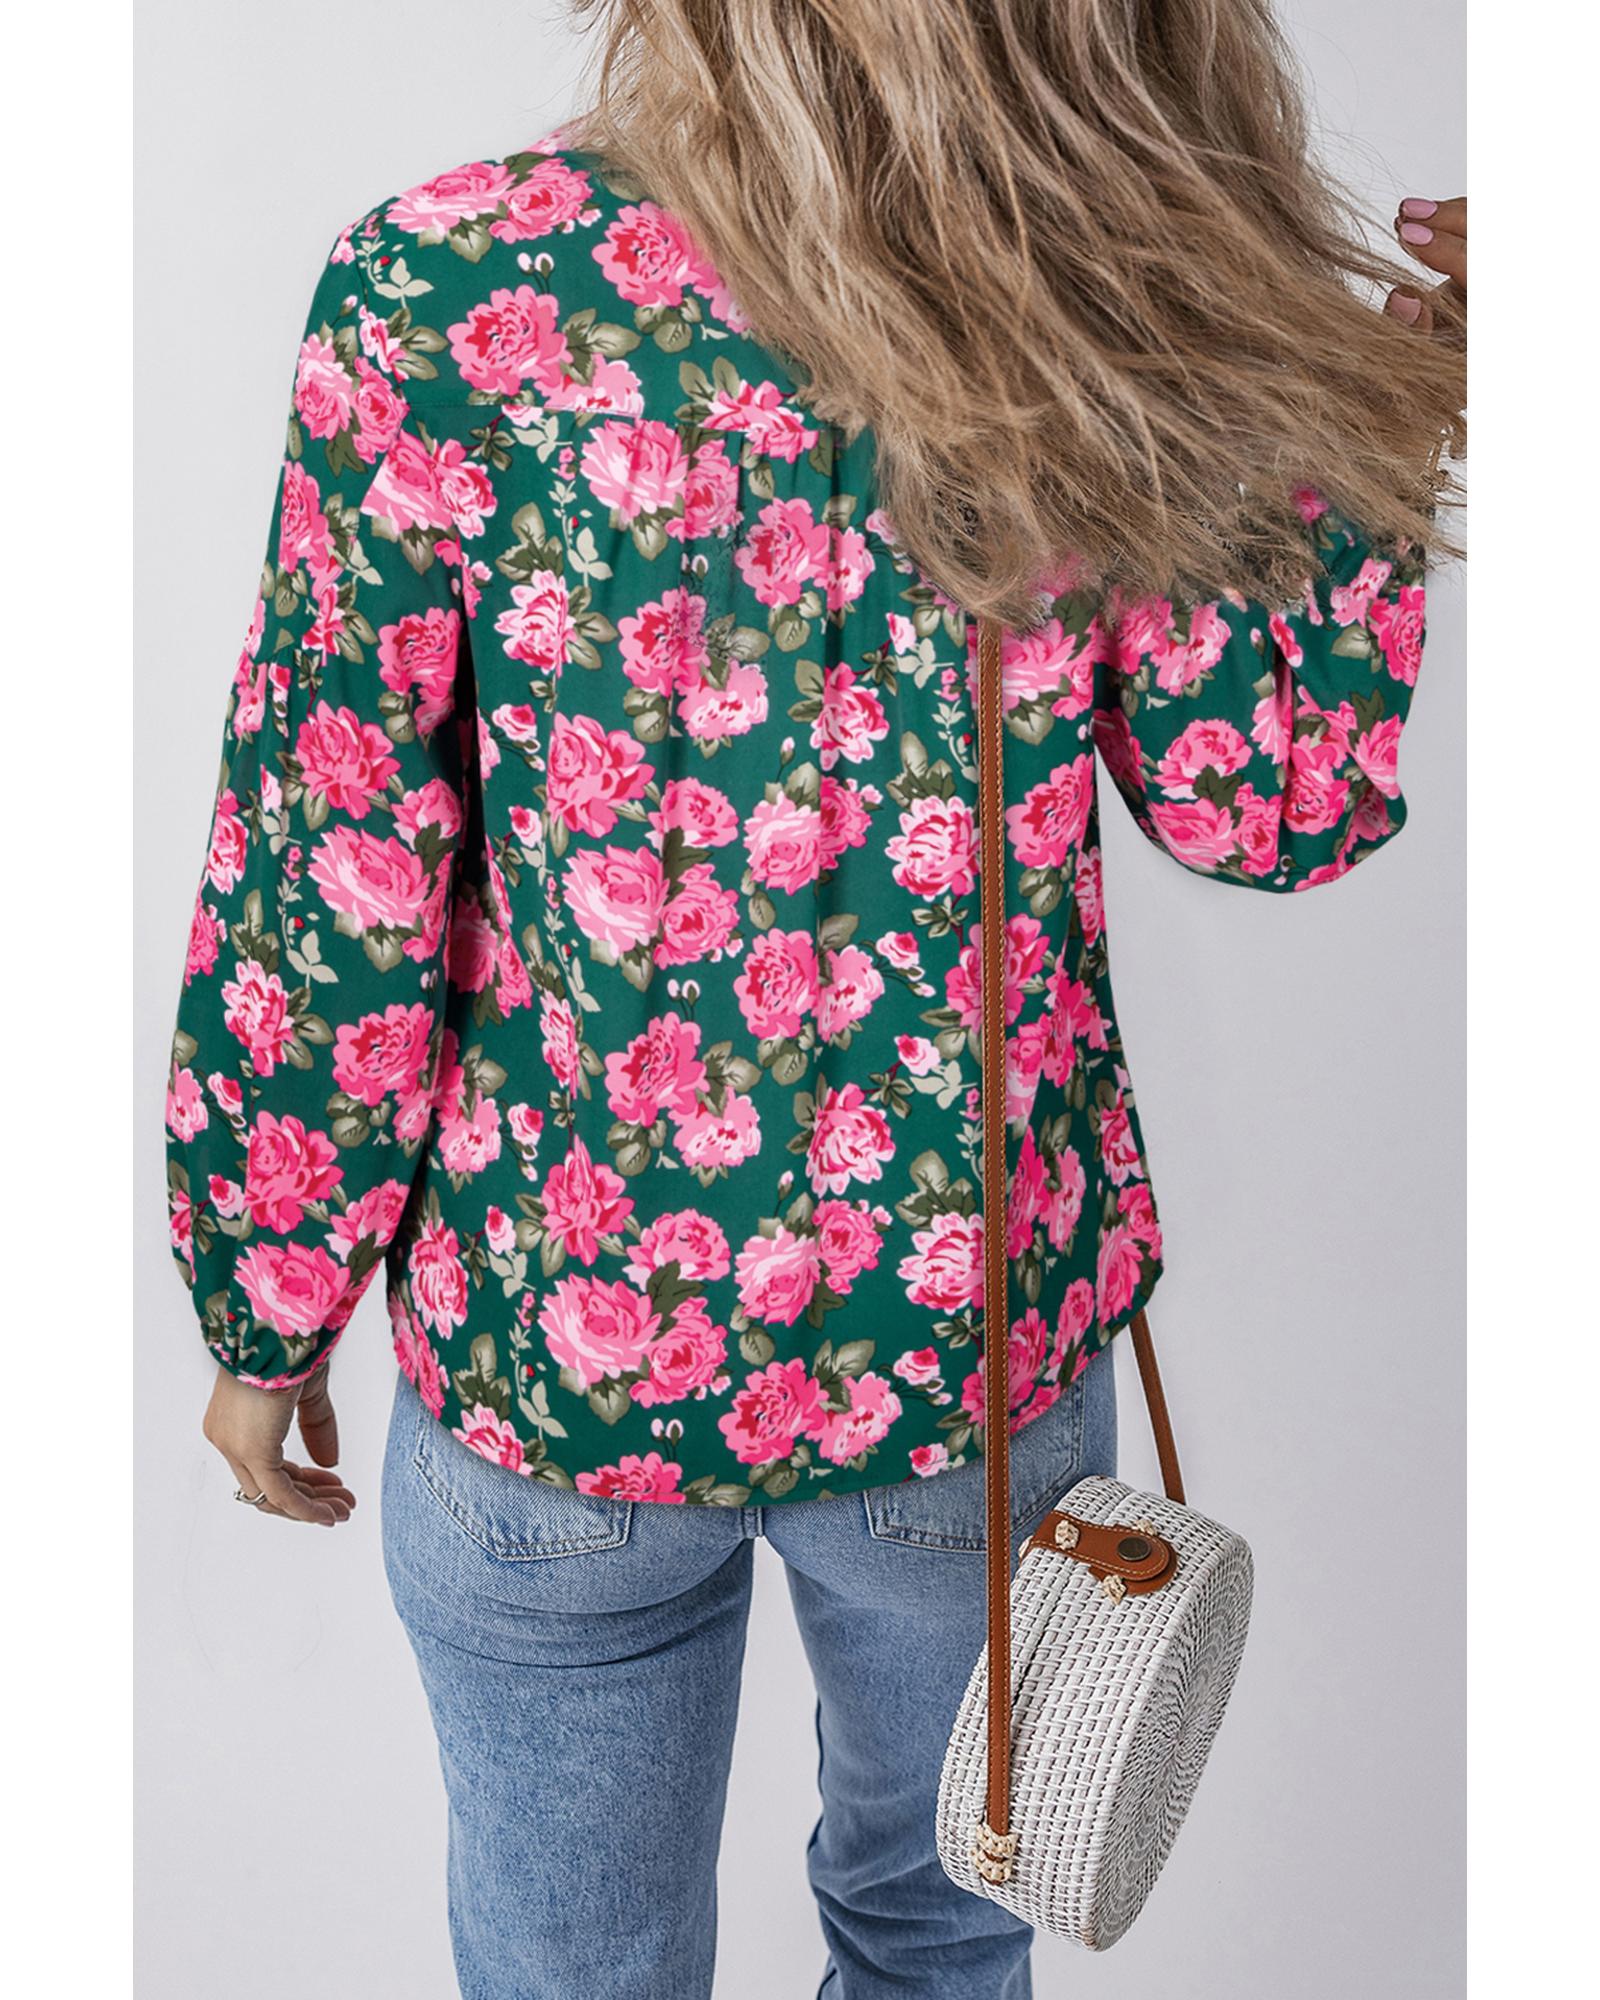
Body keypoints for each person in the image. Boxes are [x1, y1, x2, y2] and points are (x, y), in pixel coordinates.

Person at [163, 4, 1465, 1994]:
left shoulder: (445, 284)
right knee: (937, 1942)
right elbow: (1266, 806)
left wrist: (266, 1306)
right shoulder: (1114, 282)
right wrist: (1394, 400)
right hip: (963, 1357)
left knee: (569, 1970)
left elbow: (330, 858)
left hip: (550, 1355)